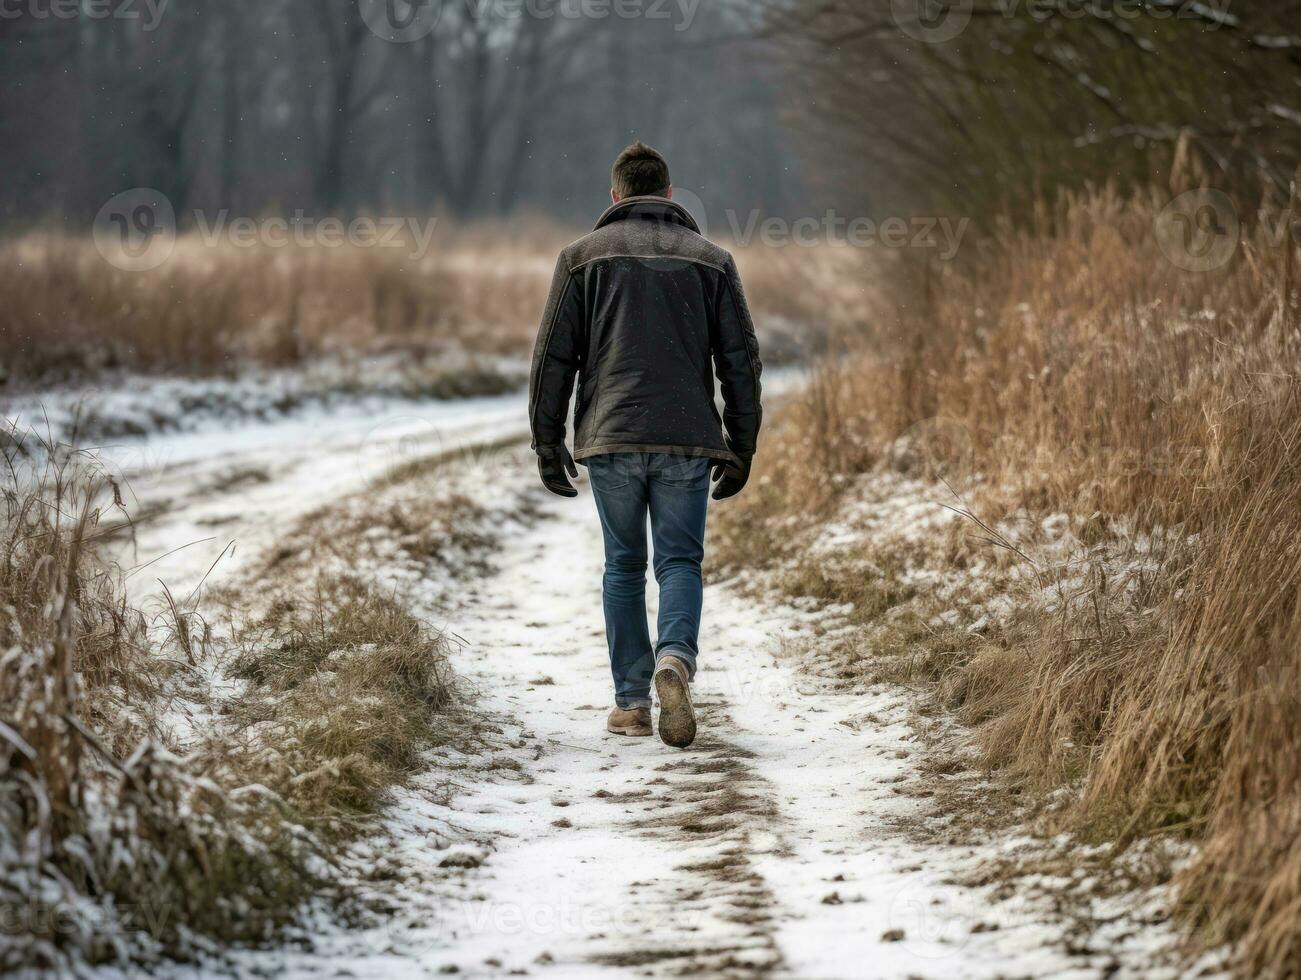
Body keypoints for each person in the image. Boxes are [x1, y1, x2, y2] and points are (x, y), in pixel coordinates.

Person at [527, 141, 763, 748]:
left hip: (610, 438)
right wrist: (742, 444)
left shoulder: (580, 259)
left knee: (624, 566)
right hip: (687, 437)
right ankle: (676, 660)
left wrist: (546, 444)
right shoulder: (711, 260)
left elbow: (553, 358)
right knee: (679, 561)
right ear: (668, 192)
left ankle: (631, 703)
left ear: (614, 195)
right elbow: (740, 362)